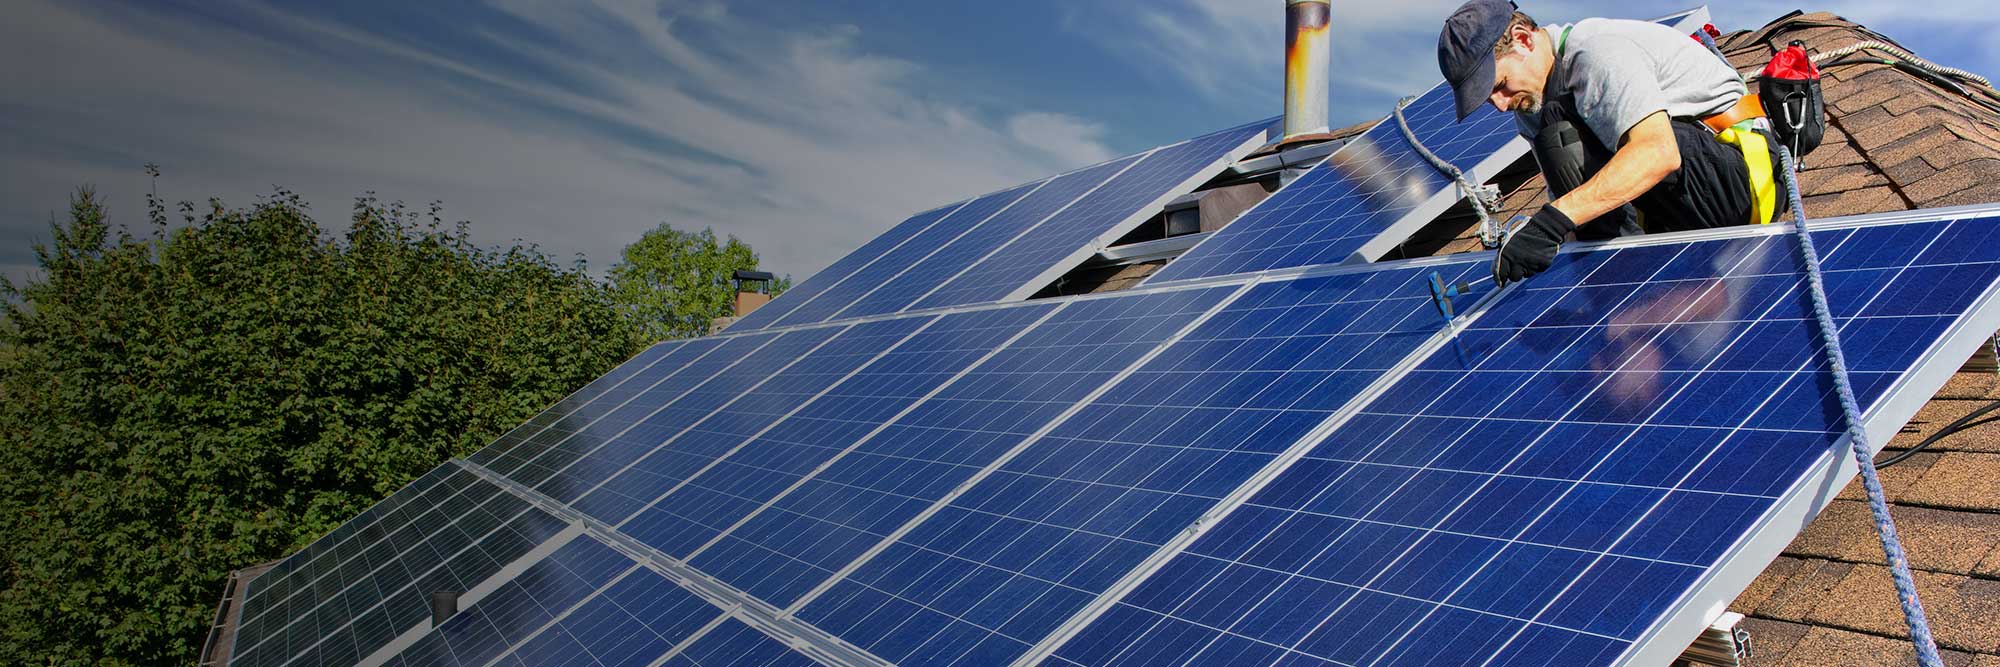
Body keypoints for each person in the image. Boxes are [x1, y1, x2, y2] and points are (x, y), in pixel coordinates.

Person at [1437, 0, 1786, 285]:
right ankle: (1623, 289)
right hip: (1681, 200)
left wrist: (1551, 222)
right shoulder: (1533, 106)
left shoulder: (1594, 52)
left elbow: (1657, 152)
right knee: (1556, 136)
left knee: (1564, 135)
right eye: (1488, 99)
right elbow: (1569, 202)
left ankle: (1629, 282)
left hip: (1741, 178)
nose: (1499, 104)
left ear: (1524, 40)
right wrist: (1548, 287)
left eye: (1499, 85)